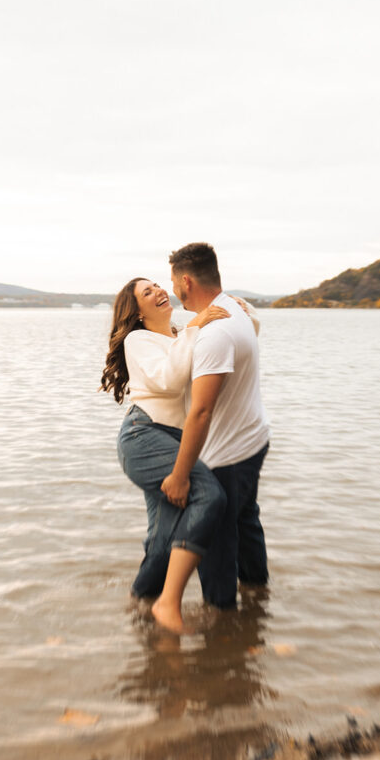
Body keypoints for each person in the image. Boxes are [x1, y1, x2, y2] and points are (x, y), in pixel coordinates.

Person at [100, 277, 230, 633]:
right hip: (144, 436)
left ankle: (140, 610)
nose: (158, 290)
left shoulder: (177, 335)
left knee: (161, 542)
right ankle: (168, 603)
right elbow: (170, 380)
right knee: (210, 496)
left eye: (158, 285)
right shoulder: (137, 339)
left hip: (170, 438)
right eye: (147, 292)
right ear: (137, 312)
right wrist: (194, 327)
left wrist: (239, 313)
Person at [161, 242, 270, 609]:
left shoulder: (216, 331)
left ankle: (221, 622)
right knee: (245, 520)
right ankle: (257, 596)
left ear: (186, 281)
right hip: (253, 437)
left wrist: (180, 475)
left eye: (174, 282)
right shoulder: (233, 310)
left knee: (218, 540)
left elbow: (201, 412)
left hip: (228, 453)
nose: (173, 290)